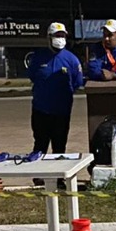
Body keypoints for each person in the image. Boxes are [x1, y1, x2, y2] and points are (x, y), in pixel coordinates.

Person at [28, 22, 84, 153]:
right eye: (56, 35)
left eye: (62, 35)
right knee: (39, 146)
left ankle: (58, 174)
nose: (59, 38)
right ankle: (39, 174)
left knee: (59, 148)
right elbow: (32, 76)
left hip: (61, 113)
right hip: (40, 111)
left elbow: (77, 82)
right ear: (48, 37)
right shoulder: (38, 57)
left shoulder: (72, 60)